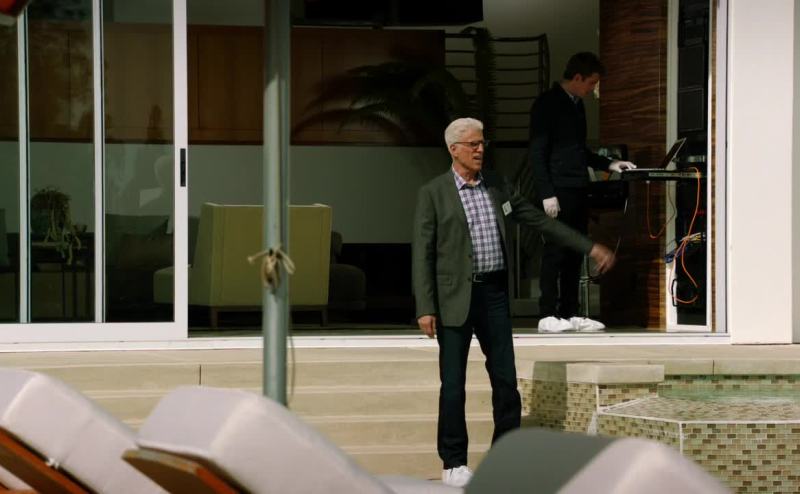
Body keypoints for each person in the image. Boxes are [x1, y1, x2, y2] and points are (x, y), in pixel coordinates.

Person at [412, 117, 616, 487]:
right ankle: (453, 462)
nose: (480, 149)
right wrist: (425, 307)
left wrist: (589, 247)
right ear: (453, 149)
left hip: (493, 295)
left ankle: (505, 457)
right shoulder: (434, 192)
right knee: (453, 384)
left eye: (482, 143)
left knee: (505, 381)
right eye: (473, 144)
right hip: (454, 298)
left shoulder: (498, 185)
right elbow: (422, 253)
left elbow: (539, 221)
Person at [528, 52, 636, 333]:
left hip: (577, 186)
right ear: (577, 77)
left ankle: (570, 311)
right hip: (557, 187)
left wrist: (609, 164)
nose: (593, 89)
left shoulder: (577, 105)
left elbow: (579, 150)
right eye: (591, 83)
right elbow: (538, 152)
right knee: (555, 249)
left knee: (576, 249)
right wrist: (546, 192)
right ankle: (547, 313)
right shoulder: (547, 103)